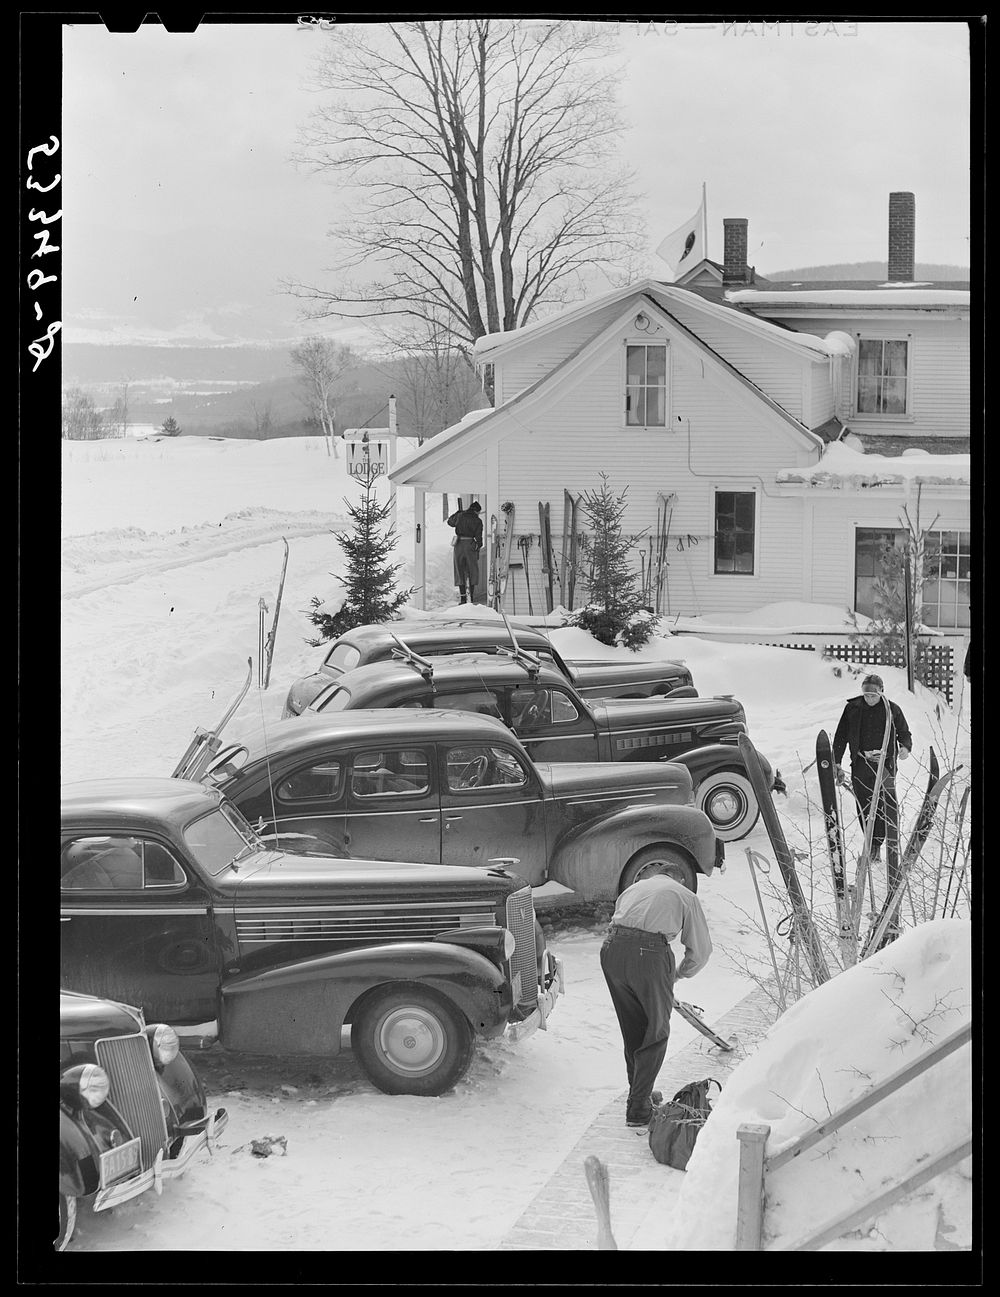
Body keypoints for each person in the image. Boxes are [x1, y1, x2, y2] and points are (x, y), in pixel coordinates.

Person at [600, 871, 712, 1127]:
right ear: (679, 879)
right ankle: (639, 1107)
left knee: (634, 1027)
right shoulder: (685, 895)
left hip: (611, 950)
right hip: (649, 954)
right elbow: (701, 951)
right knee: (656, 1031)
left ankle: (640, 1095)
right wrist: (677, 974)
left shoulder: (634, 889)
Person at [832, 673, 912, 863]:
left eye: (873, 695)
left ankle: (877, 845)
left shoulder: (892, 710)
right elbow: (841, 735)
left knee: (883, 805)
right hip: (861, 763)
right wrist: (836, 761)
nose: (869, 699)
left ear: (882, 692)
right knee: (864, 805)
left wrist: (905, 748)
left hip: (885, 765)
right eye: (866, 695)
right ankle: (872, 843)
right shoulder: (853, 708)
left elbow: (904, 733)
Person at [447, 500, 483, 604]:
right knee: (473, 570)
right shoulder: (477, 521)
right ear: (476, 511)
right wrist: (478, 547)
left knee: (459, 569)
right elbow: (479, 536)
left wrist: (457, 513)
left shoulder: (460, 515)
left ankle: (463, 597)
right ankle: (471, 597)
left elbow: (450, 522)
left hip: (458, 544)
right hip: (470, 544)